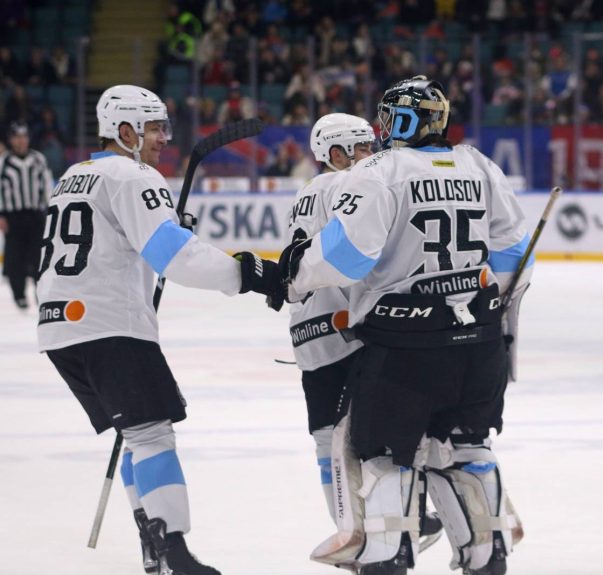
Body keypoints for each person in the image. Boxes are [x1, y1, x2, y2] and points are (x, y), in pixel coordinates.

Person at [279, 76, 529, 575]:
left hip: (404, 347)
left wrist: (293, 277)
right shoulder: (479, 165)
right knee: (467, 447)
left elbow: (346, 257)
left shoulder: (381, 170)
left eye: (389, 118)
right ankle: (488, 555)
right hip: (478, 343)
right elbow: (514, 252)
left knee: (385, 456)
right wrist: (479, 306)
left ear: (405, 121)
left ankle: (386, 556)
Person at [36, 85, 282, 575]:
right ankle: (173, 553)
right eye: (154, 128)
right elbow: (177, 256)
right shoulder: (133, 175)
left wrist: (164, 226)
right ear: (125, 131)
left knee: (136, 433)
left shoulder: (72, 177)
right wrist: (249, 274)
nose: (164, 138)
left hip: (60, 329)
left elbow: (111, 241)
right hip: (109, 324)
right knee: (152, 434)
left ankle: (155, 548)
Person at [286, 112, 376, 527]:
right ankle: (378, 522)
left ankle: (346, 530)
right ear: (336, 154)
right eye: (362, 148)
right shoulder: (347, 185)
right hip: (345, 326)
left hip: (308, 330)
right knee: (370, 435)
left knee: (327, 441)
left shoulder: (305, 193)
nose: (371, 155)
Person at [0, 122, 52, 309]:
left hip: (36, 214)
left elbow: (47, 185)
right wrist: (1, 215)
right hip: (13, 216)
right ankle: (19, 295)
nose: (21, 141)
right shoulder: (4, 162)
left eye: (24, 136)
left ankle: (41, 294)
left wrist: (50, 209)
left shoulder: (38, 159)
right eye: (17, 137)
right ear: (11, 139)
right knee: (15, 258)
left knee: (40, 257)